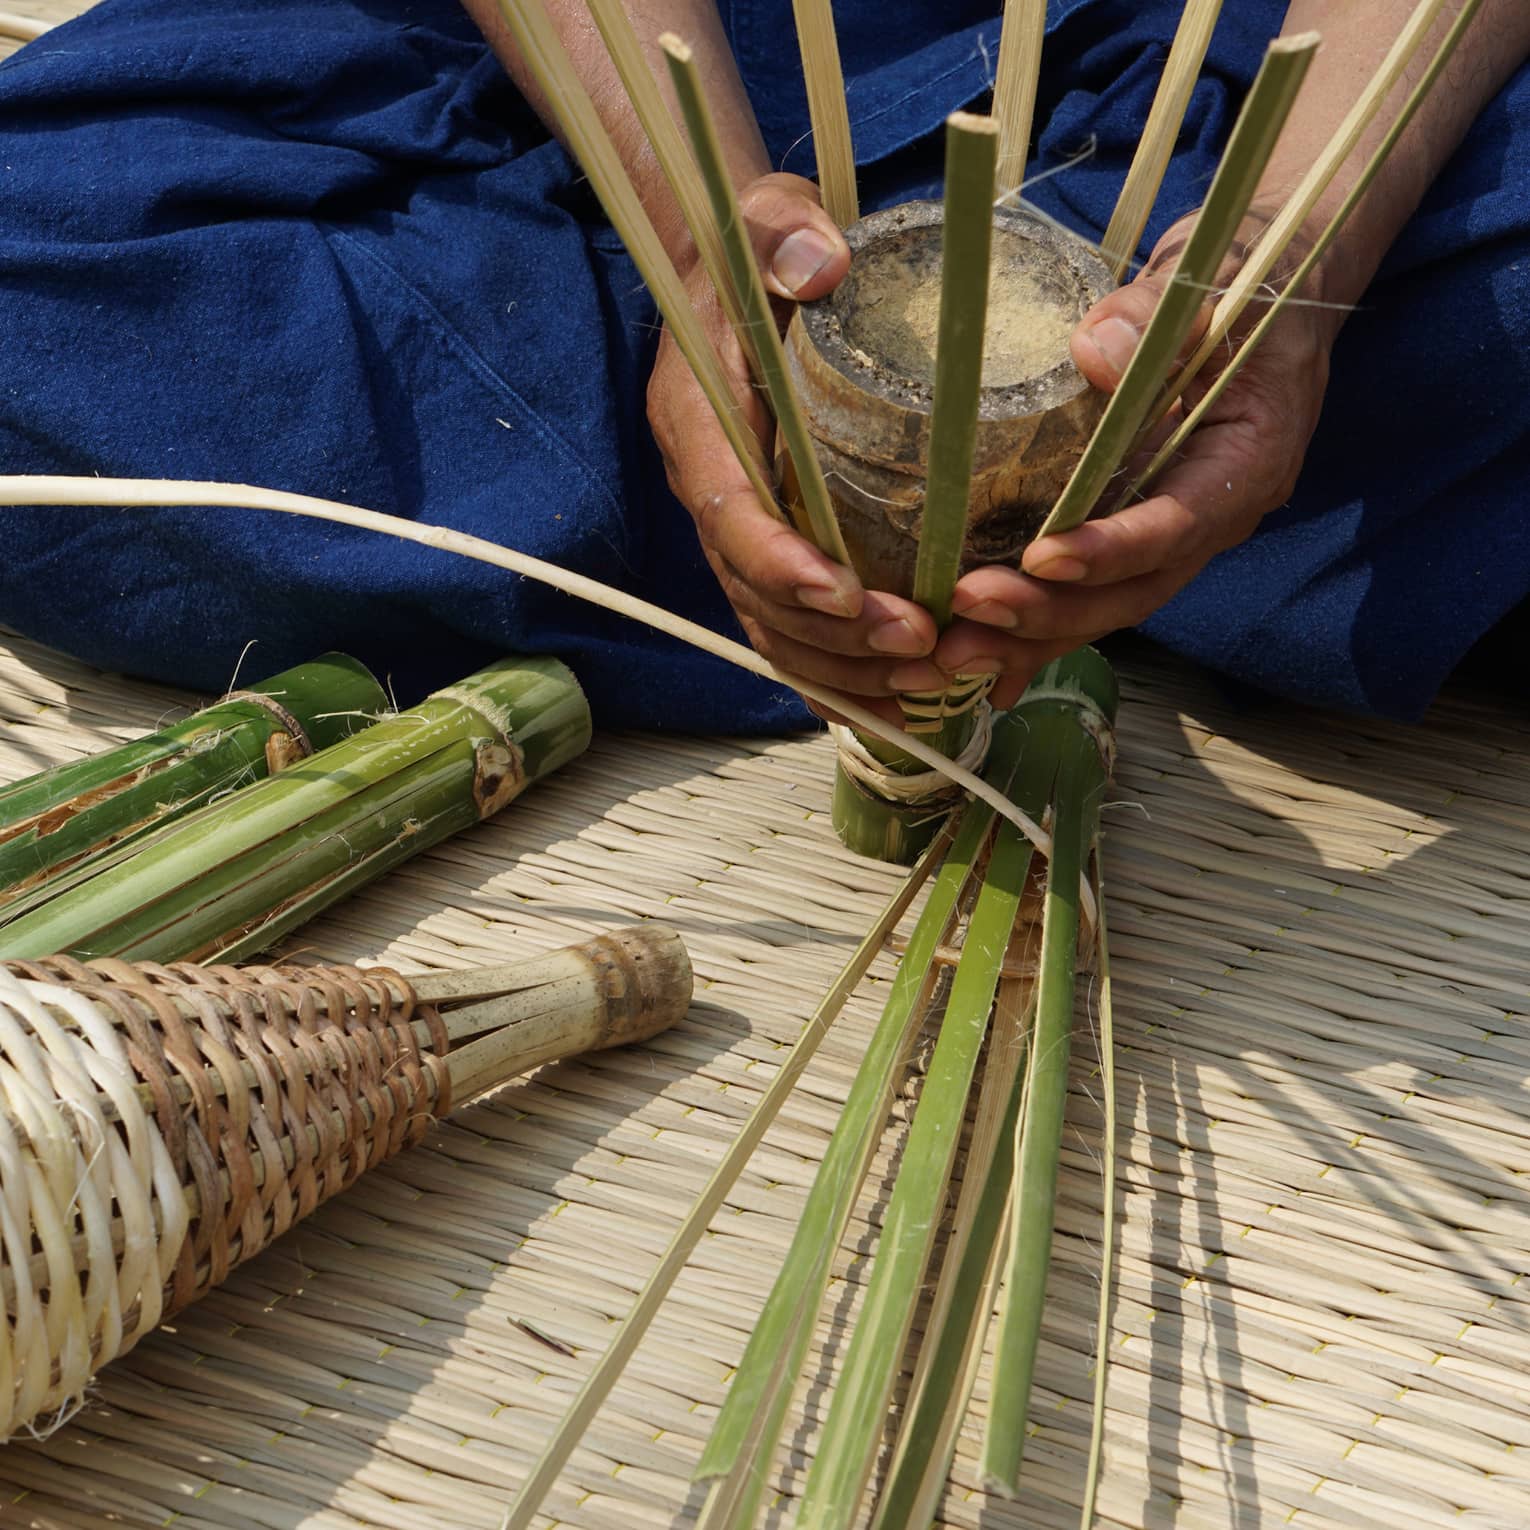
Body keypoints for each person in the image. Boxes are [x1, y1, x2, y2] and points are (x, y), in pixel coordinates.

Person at [0, 1, 1526, 732]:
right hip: (692, 66)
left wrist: (1298, 253)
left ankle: (1106, 501)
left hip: (1275, 69)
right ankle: (1203, 562)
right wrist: (691, 231)